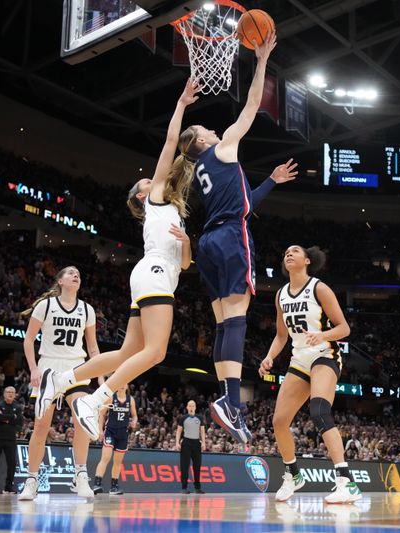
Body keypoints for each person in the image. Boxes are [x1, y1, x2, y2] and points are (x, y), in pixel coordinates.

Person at [37, 79, 200, 443]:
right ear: (143, 196)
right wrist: (181, 104)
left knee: (129, 352)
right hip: (155, 271)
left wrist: (187, 243)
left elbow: (187, 265)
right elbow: (172, 143)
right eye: (145, 181)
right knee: (155, 352)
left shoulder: (172, 212)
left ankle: (63, 379)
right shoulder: (156, 197)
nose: (150, 178)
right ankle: (96, 400)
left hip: (155, 273)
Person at [186, 32, 298, 444]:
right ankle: (230, 403)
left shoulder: (201, 169)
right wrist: (262, 60)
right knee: (237, 319)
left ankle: (229, 404)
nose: (213, 128)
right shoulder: (223, 148)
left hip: (208, 243)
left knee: (223, 323)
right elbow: (252, 104)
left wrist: (270, 179)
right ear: (201, 141)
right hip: (231, 236)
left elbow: (245, 200)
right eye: (204, 128)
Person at [259, 245, 359, 503]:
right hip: (299, 359)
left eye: (294, 251)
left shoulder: (319, 288)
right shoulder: (280, 294)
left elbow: (344, 328)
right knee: (279, 421)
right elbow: (282, 336)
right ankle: (293, 475)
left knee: (319, 411)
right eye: (285, 253)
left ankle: (346, 482)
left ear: (307, 260)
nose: (288, 254)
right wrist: (269, 357)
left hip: (325, 354)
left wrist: (322, 335)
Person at [18, 266, 100, 501]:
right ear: (61, 281)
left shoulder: (87, 309)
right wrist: (33, 369)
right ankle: (31, 480)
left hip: (77, 369)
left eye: (79, 274)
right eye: (71, 273)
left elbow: (93, 347)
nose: (76, 275)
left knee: (82, 422)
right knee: (41, 426)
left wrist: (101, 375)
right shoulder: (45, 306)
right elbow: (29, 339)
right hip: (48, 369)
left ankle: (81, 476)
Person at [92, 384, 137, 495]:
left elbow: (134, 415)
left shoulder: (130, 400)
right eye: (120, 382)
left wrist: (134, 421)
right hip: (110, 431)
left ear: (127, 386)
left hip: (123, 433)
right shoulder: (111, 398)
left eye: (125, 383)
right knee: (105, 458)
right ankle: (97, 484)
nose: (122, 385)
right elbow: (102, 415)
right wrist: (100, 430)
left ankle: (114, 487)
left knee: (118, 462)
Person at [0, 386, 23, 494]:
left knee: (12, 463)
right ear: (4, 394)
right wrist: (12, 417)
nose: (10, 394)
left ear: (15, 394)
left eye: (12, 392)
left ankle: (8, 487)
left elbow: (19, 421)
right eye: (8, 392)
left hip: (11, 439)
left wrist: (4, 417)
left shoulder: (17, 407)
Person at [175, 400, 206, 494]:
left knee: (197, 466)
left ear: (195, 407)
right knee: (185, 466)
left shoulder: (200, 417)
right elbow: (179, 431)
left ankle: (197, 488)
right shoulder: (183, 418)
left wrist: (204, 442)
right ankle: (184, 488)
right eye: (190, 406)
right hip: (186, 443)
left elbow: (202, 431)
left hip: (197, 443)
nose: (191, 407)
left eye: (193, 405)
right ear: (187, 407)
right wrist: (177, 442)